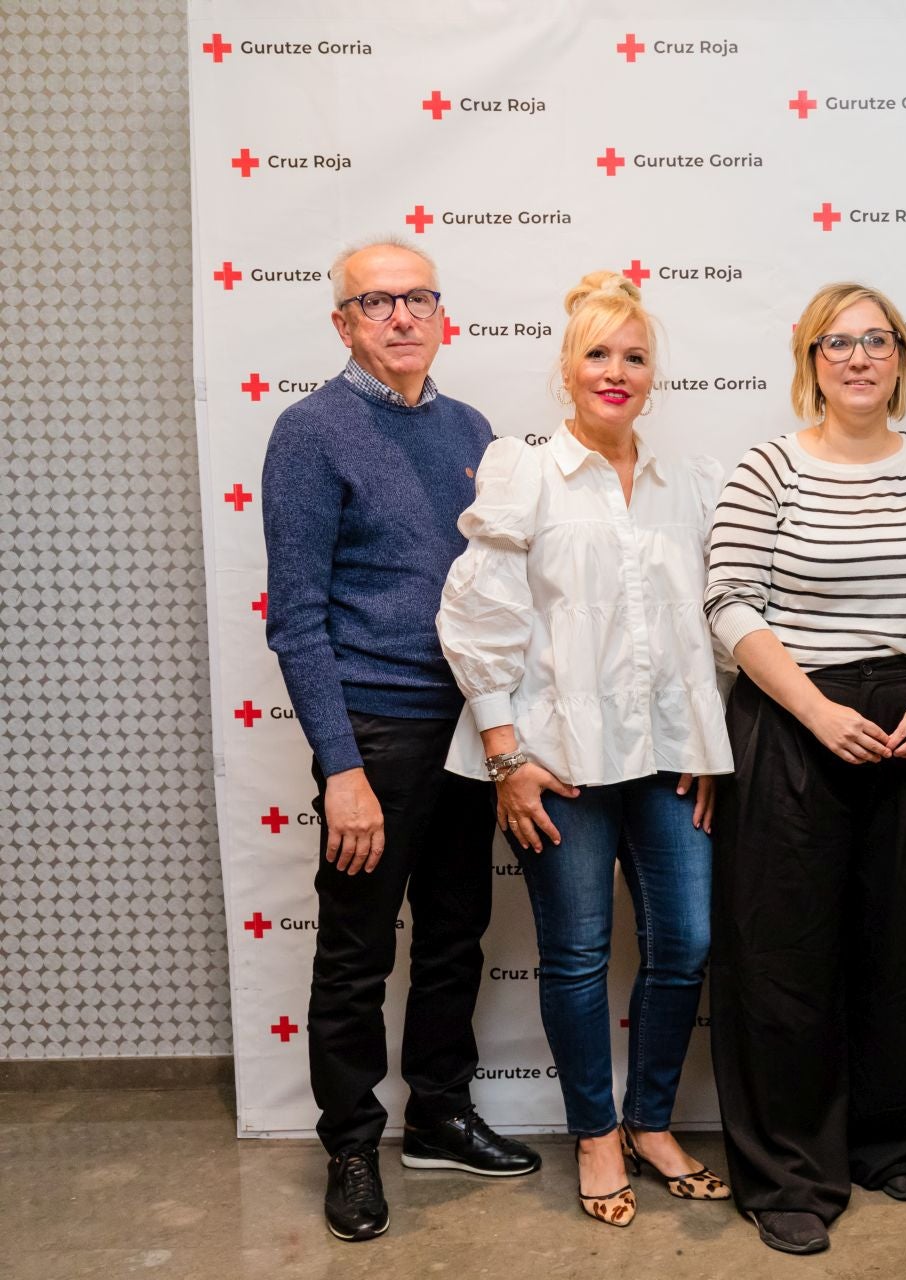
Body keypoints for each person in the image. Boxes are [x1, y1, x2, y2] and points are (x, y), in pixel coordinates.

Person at [437, 271, 734, 1227]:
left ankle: (651, 1120)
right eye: (598, 354)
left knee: (685, 943)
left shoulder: (689, 483)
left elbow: (711, 625)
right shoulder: (521, 470)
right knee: (575, 956)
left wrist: (706, 735)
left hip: (665, 758)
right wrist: (504, 755)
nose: (617, 371)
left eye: (635, 356)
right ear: (568, 369)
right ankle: (595, 1133)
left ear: (655, 376)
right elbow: (479, 616)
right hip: (556, 760)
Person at [261, 238, 538, 1244]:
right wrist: (342, 767)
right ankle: (349, 1142)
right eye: (376, 302)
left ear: (442, 312)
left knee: (458, 929)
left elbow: (499, 592)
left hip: (470, 724)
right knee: (355, 950)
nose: (401, 316)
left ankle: (439, 1113)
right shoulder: (310, 432)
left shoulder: (472, 429)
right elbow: (295, 615)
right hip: (373, 730)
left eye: (418, 296)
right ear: (343, 323)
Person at [703, 282, 906, 1256]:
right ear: (811, 358)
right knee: (784, 953)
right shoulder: (767, 468)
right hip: (795, 722)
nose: (859, 357)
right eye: (839, 342)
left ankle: (897, 1136)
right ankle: (789, 1168)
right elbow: (731, 604)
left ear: (902, 356)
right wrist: (818, 709)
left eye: (877, 340)